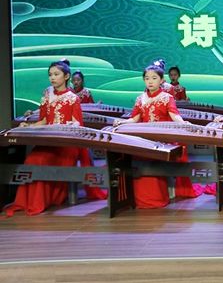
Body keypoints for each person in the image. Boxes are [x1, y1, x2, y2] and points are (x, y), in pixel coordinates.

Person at [4, 60, 106, 216]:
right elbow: (44, 120)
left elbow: (77, 123)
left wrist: (64, 128)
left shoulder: (72, 98)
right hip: (49, 141)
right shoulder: (47, 94)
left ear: (66, 76)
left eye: (56, 74)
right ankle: (31, 201)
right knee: (32, 159)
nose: (52, 77)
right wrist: (29, 126)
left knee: (41, 160)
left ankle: (43, 200)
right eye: (50, 74)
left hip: (66, 144)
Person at [114, 60, 199, 208]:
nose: (150, 81)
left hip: (163, 139)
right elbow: (135, 118)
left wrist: (184, 123)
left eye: (154, 78)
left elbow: (174, 115)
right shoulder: (140, 98)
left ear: (161, 80)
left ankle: (164, 193)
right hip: (146, 138)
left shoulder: (167, 97)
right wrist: (122, 122)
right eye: (147, 78)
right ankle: (144, 197)